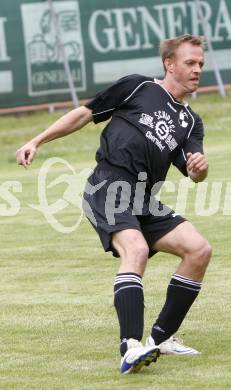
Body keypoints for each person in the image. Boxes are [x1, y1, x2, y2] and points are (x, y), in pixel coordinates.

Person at [16, 34, 212, 374]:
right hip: (107, 186)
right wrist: (37, 140)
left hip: (143, 198)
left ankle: (160, 339)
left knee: (199, 250)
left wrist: (200, 170)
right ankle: (130, 346)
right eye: (190, 63)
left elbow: (194, 169)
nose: (197, 70)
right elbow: (84, 113)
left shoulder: (190, 121)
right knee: (134, 250)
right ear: (169, 64)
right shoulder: (138, 88)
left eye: (200, 64)